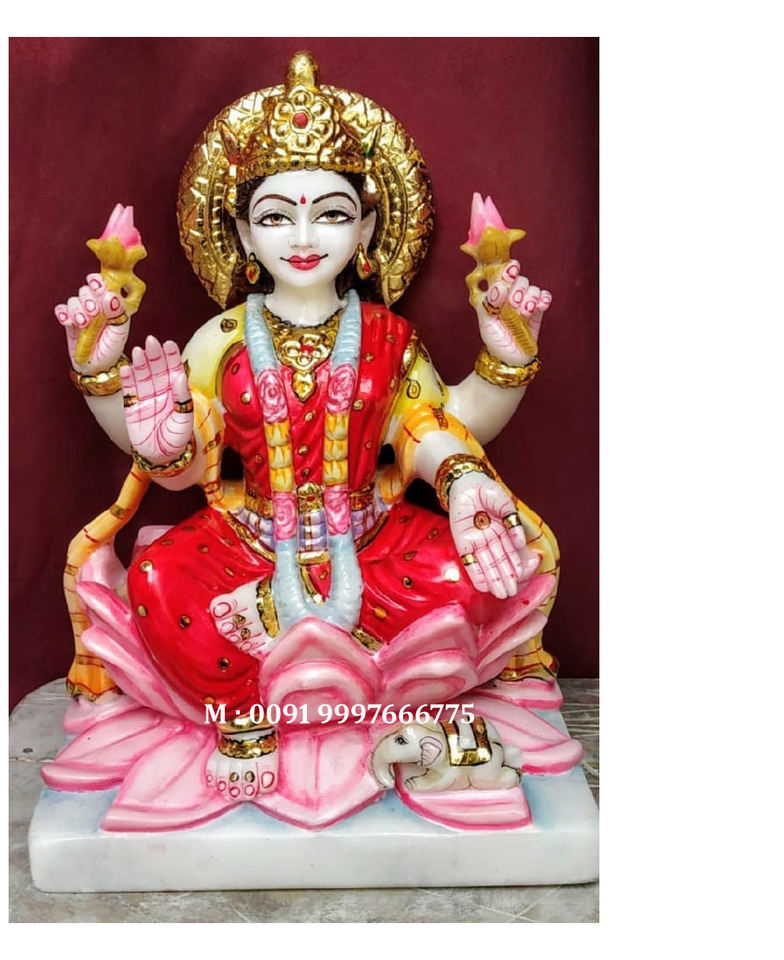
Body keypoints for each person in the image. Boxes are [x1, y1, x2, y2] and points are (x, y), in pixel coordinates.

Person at [55, 52, 559, 797]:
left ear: (368, 226)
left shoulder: (387, 336)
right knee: (158, 580)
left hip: (372, 538)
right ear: (240, 232)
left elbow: (439, 425)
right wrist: (132, 412)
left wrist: (501, 369)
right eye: (274, 216)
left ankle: (330, 687)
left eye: (330, 213)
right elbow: (176, 459)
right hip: (249, 542)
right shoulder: (223, 337)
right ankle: (260, 715)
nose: (303, 236)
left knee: (478, 573)